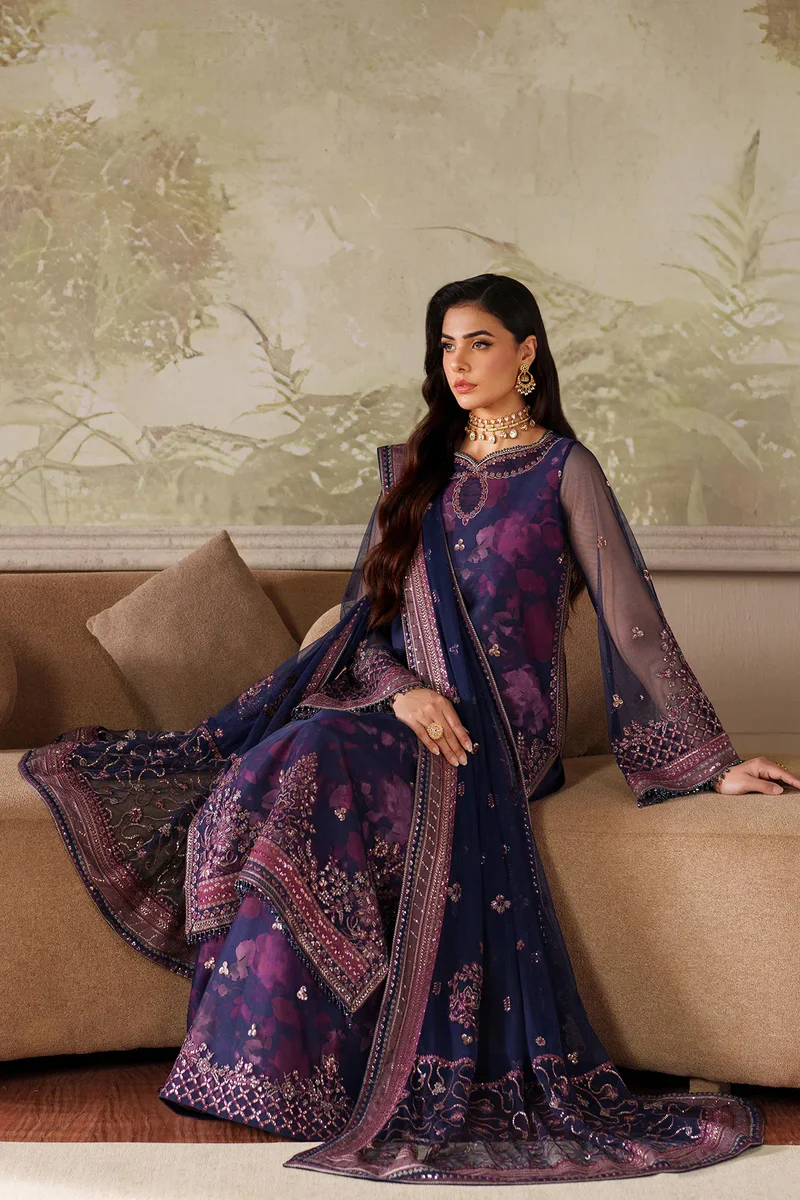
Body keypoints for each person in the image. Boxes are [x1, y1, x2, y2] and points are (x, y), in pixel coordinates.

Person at [19, 273, 797, 1186]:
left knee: (313, 759)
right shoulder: (415, 470)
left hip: (502, 731)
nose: (458, 363)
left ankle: (298, 1070)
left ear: (527, 353)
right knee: (280, 765)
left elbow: (631, 621)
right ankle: (262, 1075)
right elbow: (368, 623)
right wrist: (402, 693)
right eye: (446, 346)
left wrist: (708, 763)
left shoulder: (564, 470)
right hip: (407, 706)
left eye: (479, 342)